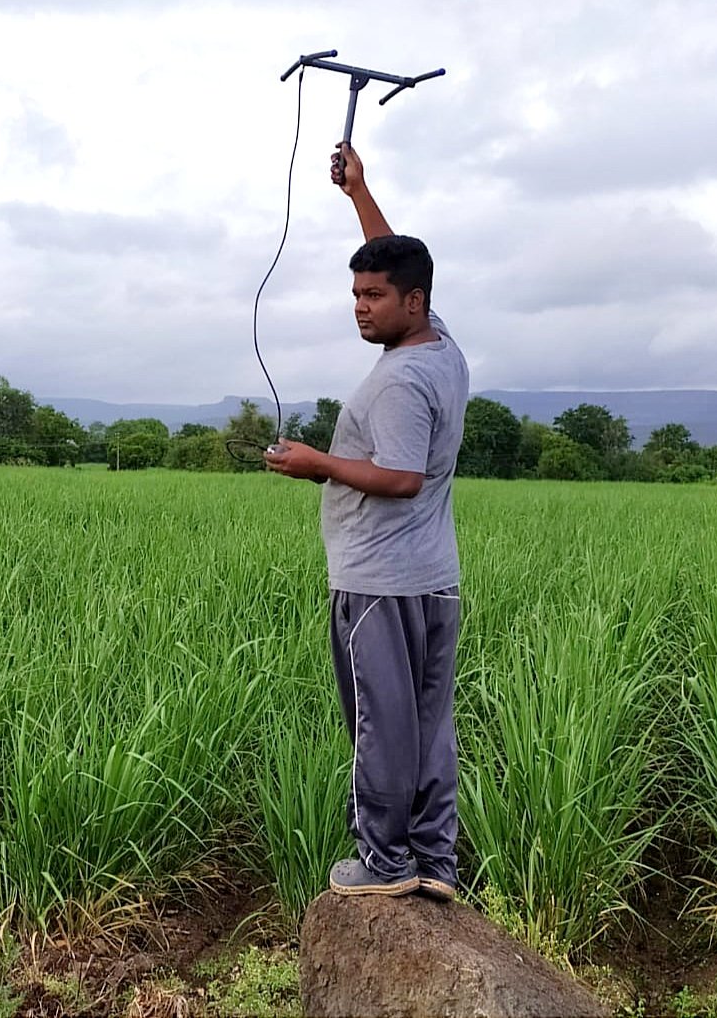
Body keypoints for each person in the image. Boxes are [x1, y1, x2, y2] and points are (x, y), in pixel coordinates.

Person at [264, 143, 469, 899]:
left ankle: (385, 863)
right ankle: (434, 862)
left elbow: (403, 479)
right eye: (355, 293)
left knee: (381, 727)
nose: (361, 305)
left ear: (409, 303)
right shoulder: (441, 346)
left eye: (374, 297)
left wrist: (318, 463)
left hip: (379, 584)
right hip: (433, 582)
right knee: (424, 723)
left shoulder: (402, 382)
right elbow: (400, 259)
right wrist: (360, 191)